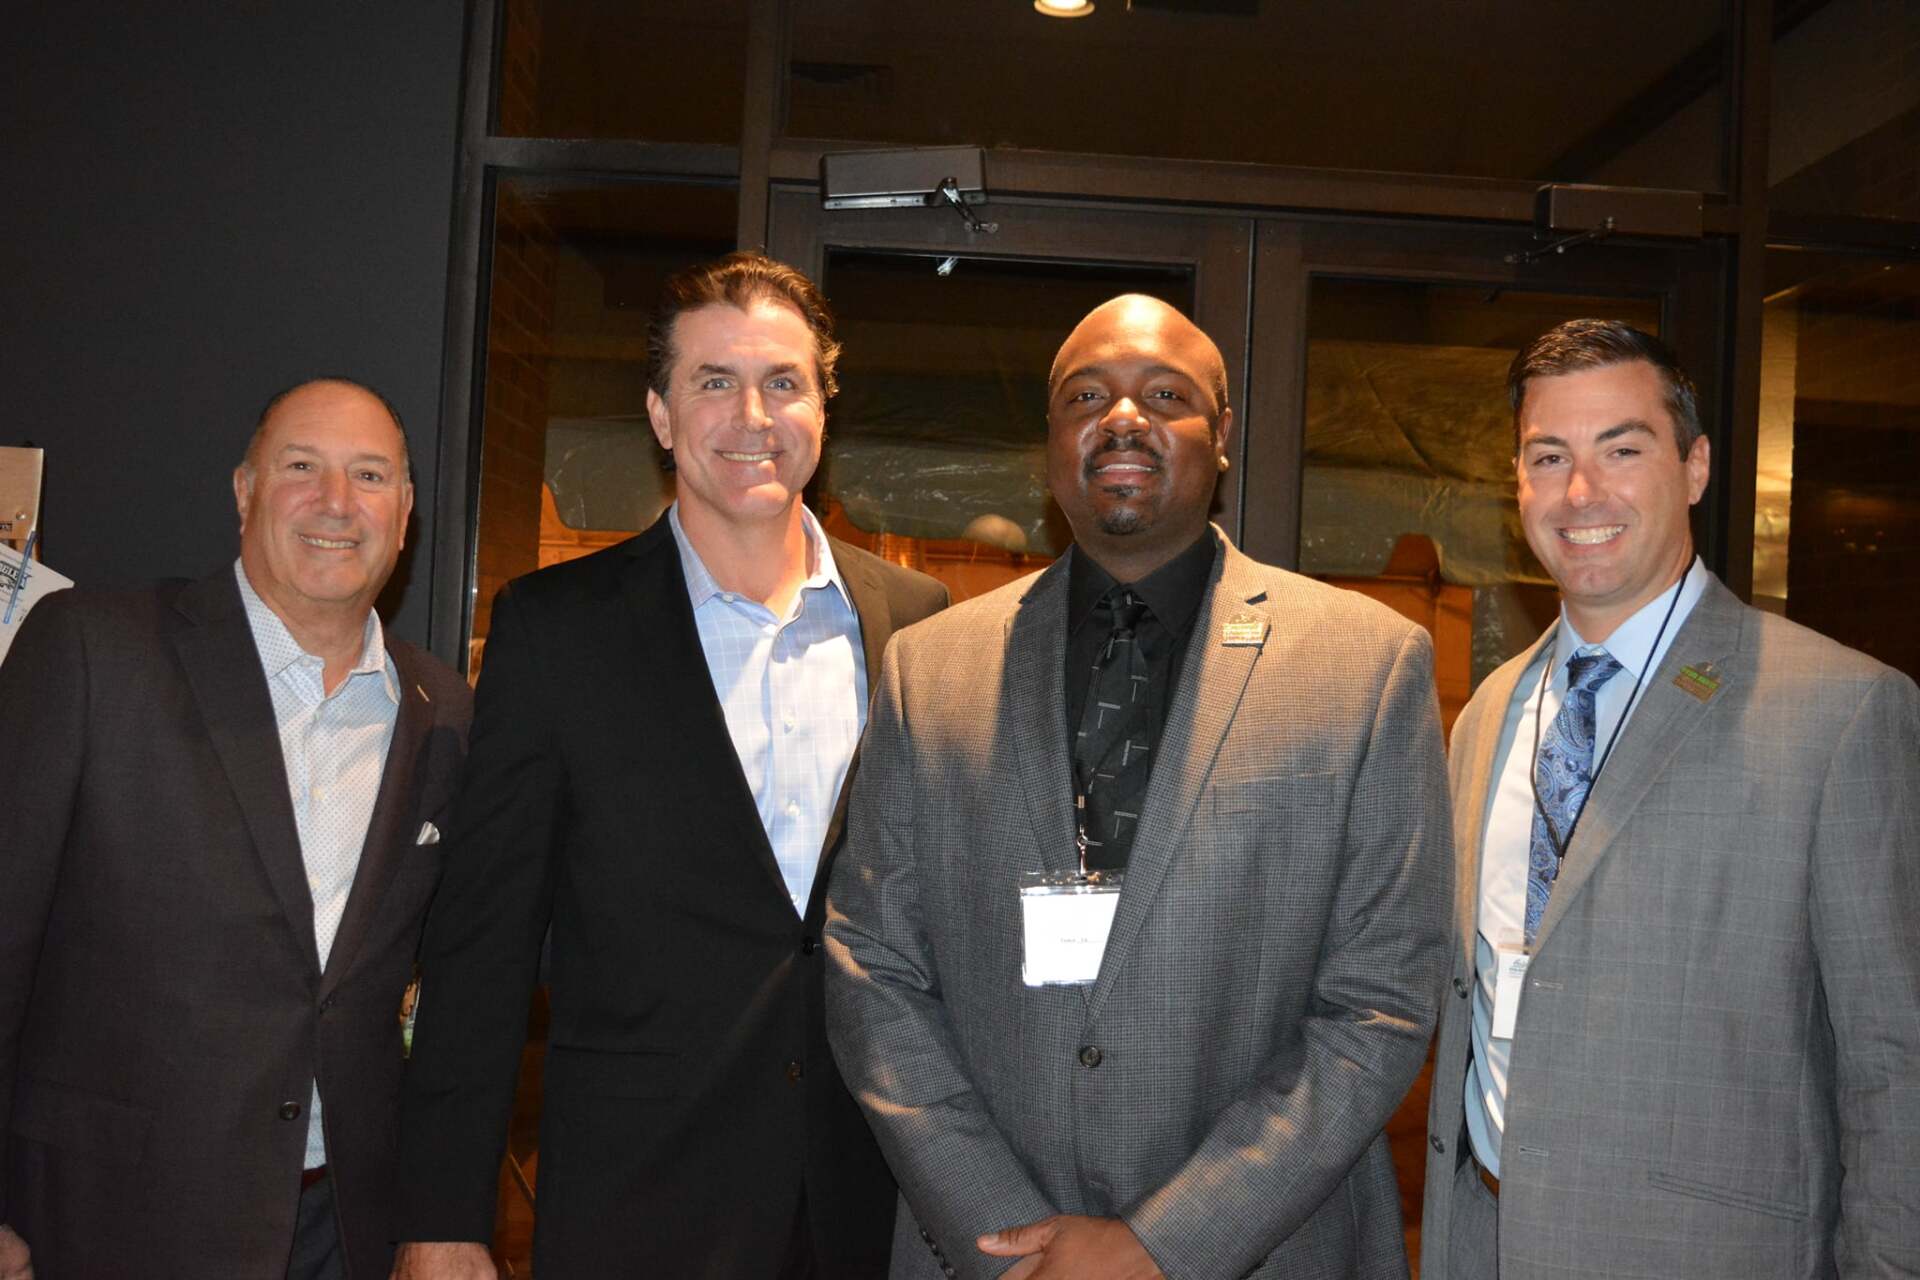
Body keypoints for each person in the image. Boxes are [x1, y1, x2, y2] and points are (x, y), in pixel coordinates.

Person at [825, 294, 1453, 1280]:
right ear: (1052, 439)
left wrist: (1165, 1243)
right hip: (989, 1253)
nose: (1125, 417)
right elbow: (871, 964)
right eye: (1088, 395)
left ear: (1225, 436)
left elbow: (1379, 1002)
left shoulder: (1366, 666)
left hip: (1264, 1247)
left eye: (1166, 394)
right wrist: (1003, 1228)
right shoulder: (928, 667)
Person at [390, 251, 947, 1279]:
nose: (752, 414)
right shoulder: (557, 632)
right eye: (714, 381)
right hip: (638, 1204)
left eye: (784, 381)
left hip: (873, 1204)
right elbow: (483, 944)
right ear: (658, 413)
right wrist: (443, 1213)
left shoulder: (919, 630)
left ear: (824, 408)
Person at [1420, 319, 1920, 1278]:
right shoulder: (1487, 715)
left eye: (1622, 449)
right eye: (1549, 456)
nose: (1581, 492)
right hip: (1482, 1242)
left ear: (1694, 466)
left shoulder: (1841, 713)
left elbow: (1896, 1070)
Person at [0, 378, 473, 1280]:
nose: (337, 503)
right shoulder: (94, 650)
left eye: (370, 475)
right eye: (302, 467)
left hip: (345, 1226)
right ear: (245, 490)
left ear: (405, 512)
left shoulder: (442, 710)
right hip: (109, 1222)